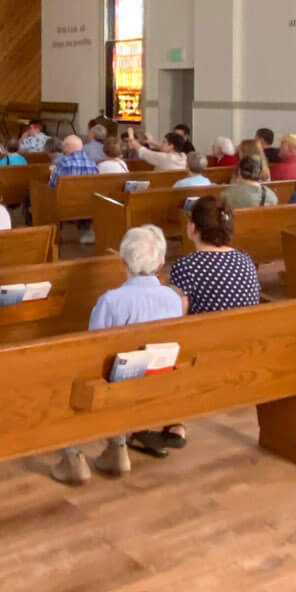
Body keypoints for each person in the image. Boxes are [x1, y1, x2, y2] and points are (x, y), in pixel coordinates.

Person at [128, 191, 260, 458]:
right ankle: (174, 425)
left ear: (193, 228)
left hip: (205, 355)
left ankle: (164, 422)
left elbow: (177, 319)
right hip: (245, 348)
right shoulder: (246, 261)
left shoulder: (187, 267)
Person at [53, 225, 184, 486]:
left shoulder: (111, 301)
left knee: (72, 373)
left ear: (122, 260)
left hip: (114, 389)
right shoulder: (172, 298)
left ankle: (73, 456)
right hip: (157, 381)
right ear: (160, 264)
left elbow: (93, 354)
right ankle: (117, 446)